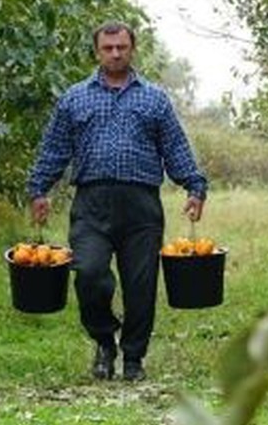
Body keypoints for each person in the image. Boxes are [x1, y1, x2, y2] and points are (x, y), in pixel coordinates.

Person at [27, 21, 208, 382]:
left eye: (121, 47)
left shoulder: (154, 98)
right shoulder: (75, 98)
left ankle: (133, 358)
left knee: (140, 285)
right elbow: (54, 148)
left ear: (132, 49)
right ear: (97, 51)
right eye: (108, 48)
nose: (115, 53)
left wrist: (194, 187)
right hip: (91, 204)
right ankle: (104, 341)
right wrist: (38, 189)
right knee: (90, 274)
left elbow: (174, 147)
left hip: (141, 205)